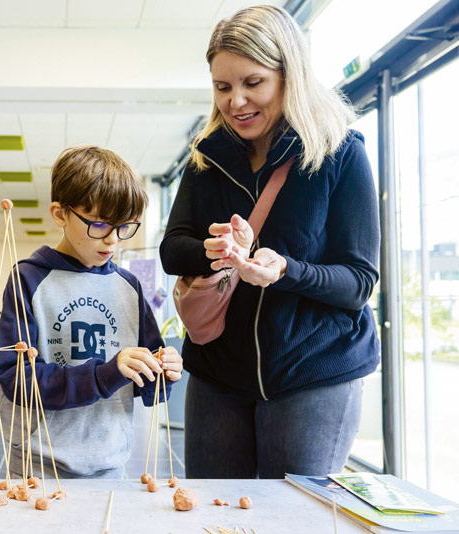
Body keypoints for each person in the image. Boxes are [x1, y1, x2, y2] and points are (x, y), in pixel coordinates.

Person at [159, 5, 380, 479]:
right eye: (223, 87)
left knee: (296, 518)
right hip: (219, 373)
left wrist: (285, 271)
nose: (235, 101)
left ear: (289, 76)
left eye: (252, 83)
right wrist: (215, 250)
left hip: (313, 373)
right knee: (214, 512)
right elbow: (173, 246)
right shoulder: (208, 158)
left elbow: (358, 282)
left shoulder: (340, 153)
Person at [0, 145, 183, 479]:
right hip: (39, 468)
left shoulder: (130, 287)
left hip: (112, 463)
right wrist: (103, 374)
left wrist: (164, 372)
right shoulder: (29, 278)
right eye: (99, 225)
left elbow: (147, 382)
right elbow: (14, 378)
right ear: (60, 214)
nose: (113, 241)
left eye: (125, 227)